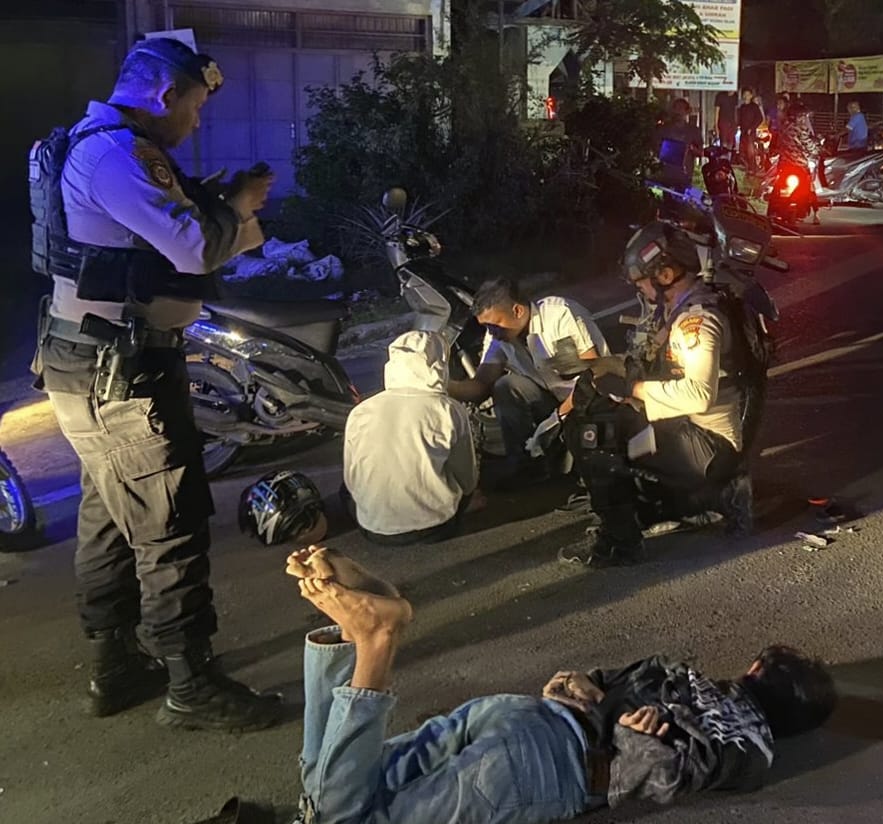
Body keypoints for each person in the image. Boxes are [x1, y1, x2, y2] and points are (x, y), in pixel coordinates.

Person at [29, 37, 281, 731]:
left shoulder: (97, 145)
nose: (196, 122)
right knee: (170, 524)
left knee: (110, 520)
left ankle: (114, 666)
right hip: (121, 371)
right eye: (195, 107)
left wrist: (220, 200)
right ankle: (190, 685)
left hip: (94, 362)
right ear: (165, 95)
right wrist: (241, 208)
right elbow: (195, 249)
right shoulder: (120, 154)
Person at [284, 545, 837, 823]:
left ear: (756, 671)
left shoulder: (684, 675)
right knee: (344, 818)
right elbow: (669, 774)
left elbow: (599, 683)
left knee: (337, 785)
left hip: (522, 714)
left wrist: (589, 692)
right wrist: (634, 736)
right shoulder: (753, 745)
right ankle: (373, 642)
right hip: (547, 765)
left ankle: (348, 635)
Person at [558, 223, 749, 567]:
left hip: (707, 442)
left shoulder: (696, 323)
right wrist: (608, 370)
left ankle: (621, 543)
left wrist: (632, 389)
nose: (640, 289)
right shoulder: (682, 308)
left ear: (665, 274)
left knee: (596, 437)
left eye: (642, 282)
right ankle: (685, 503)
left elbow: (698, 394)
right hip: (689, 429)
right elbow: (656, 365)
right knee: (600, 413)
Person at [449, 278, 609, 488]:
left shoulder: (560, 315)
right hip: (553, 402)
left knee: (591, 471)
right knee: (506, 386)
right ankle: (526, 466)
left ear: (517, 311)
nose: (491, 333)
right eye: (486, 327)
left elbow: (594, 375)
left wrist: (556, 419)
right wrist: (442, 385)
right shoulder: (498, 337)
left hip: (590, 399)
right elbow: (480, 385)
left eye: (494, 325)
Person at [344, 331, 481, 546]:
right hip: (437, 528)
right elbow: (467, 477)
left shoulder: (361, 411)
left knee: (345, 492)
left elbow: (351, 480)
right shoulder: (449, 409)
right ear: (440, 364)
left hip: (373, 531)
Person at [655, 98, 704, 190]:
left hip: (685, 175)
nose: (678, 111)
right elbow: (656, 149)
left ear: (687, 111)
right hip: (667, 175)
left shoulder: (693, 131)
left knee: (684, 197)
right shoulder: (664, 129)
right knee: (668, 197)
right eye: (676, 108)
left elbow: (701, 153)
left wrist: (690, 148)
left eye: (681, 108)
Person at [738, 88, 765, 168]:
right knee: (742, 151)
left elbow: (760, 118)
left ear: (751, 96)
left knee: (750, 151)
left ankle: (753, 167)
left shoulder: (754, 107)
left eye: (748, 95)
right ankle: (745, 167)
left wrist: (752, 128)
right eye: (744, 95)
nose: (746, 96)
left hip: (751, 133)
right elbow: (739, 119)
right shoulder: (742, 107)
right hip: (743, 132)